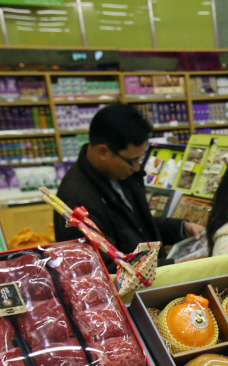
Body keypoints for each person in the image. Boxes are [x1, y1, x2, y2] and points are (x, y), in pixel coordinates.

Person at [55, 103, 203, 266]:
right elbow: (104, 267)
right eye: (132, 161)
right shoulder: (75, 202)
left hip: (151, 280)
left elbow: (138, 226)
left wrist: (181, 228)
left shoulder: (123, 174)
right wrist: (173, 265)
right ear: (103, 152)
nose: (137, 168)